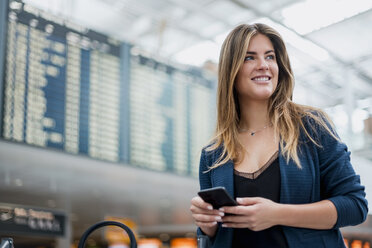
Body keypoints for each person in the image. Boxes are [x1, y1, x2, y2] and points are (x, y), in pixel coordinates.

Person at [189, 23, 368, 248]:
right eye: (249, 58)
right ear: (230, 70)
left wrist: (277, 214)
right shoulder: (213, 155)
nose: (263, 65)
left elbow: (354, 206)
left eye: (270, 57)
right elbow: (216, 237)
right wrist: (208, 224)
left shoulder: (311, 127)